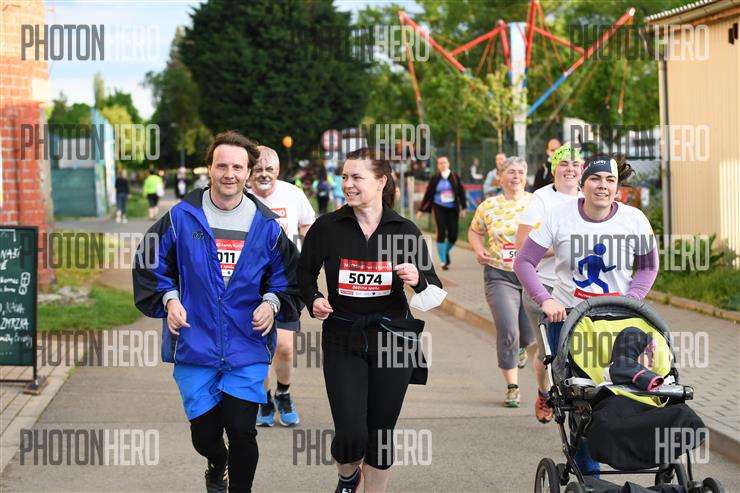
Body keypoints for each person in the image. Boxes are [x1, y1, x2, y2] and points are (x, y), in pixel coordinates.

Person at [133, 131, 302, 493]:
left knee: (242, 430)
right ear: (209, 168)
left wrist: (272, 303)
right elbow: (150, 262)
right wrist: (170, 299)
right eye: (222, 165)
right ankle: (216, 461)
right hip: (194, 342)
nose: (229, 174)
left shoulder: (267, 226)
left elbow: (289, 277)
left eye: (238, 167)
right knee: (205, 436)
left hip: (247, 343)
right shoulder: (181, 218)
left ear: (249, 172)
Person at [298, 148, 443, 493]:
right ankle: (349, 477)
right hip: (343, 336)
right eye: (344, 177)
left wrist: (418, 280)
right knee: (350, 433)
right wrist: (314, 298)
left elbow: (434, 292)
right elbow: (303, 274)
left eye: (356, 177)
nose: (347, 184)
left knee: (380, 433)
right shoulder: (327, 227)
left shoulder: (405, 230)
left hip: (393, 339)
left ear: (380, 182)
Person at [514, 153, 659, 477]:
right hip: (568, 318)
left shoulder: (634, 219)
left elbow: (649, 266)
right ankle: (589, 475)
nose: (602, 186)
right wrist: (545, 299)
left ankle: (628, 450)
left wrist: (633, 298)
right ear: (582, 183)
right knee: (579, 397)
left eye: (609, 180)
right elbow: (523, 261)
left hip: (618, 319)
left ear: (617, 186)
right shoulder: (558, 216)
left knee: (622, 389)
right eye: (595, 178)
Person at [515, 144, 584, 423]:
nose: (570, 168)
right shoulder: (541, 199)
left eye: (575, 164)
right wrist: (563, 247)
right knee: (550, 353)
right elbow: (522, 247)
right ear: (554, 168)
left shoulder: (588, 197)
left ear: (582, 170)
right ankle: (544, 392)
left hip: (578, 289)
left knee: (580, 351)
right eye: (563, 163)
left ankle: (579, 402)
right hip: (544, 287)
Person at [249, 145, 315, 428]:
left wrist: (309, 259)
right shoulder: (240, 196)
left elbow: (308, 226)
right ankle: (263, 399)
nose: (264, 175)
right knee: (257, 345)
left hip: (285, 279)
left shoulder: (293, 194)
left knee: (285, 347)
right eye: (258, 170)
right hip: (249, 281)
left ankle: (284, 394)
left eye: (270, 169)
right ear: (250, 171)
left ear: (278, 171)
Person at [467, 156, 534, 407]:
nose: (516, 176)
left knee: (529, 334)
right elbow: (474, 231)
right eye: (511, 172)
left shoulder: (537, 203)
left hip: (532, 276)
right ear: (500, 177)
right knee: (508, 329)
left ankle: (523, 347)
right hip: (499, 274)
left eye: (520, 172)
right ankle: (512, 387)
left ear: (526, 177)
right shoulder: (489, 206)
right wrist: (478, 249)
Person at [416, 155, 467, 270]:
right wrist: (421, 210)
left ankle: (444, 252)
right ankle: (443, 261)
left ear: (448, 164)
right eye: (440, 163)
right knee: (441, 233)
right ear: (438, 166)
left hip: (453, 208)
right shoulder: (435, 178)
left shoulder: (454, 176)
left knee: (453, 235)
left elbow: (461, 193)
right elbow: (428, 194)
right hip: (439, 207)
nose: (443, 165)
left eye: (444, 162)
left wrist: (463, 208)